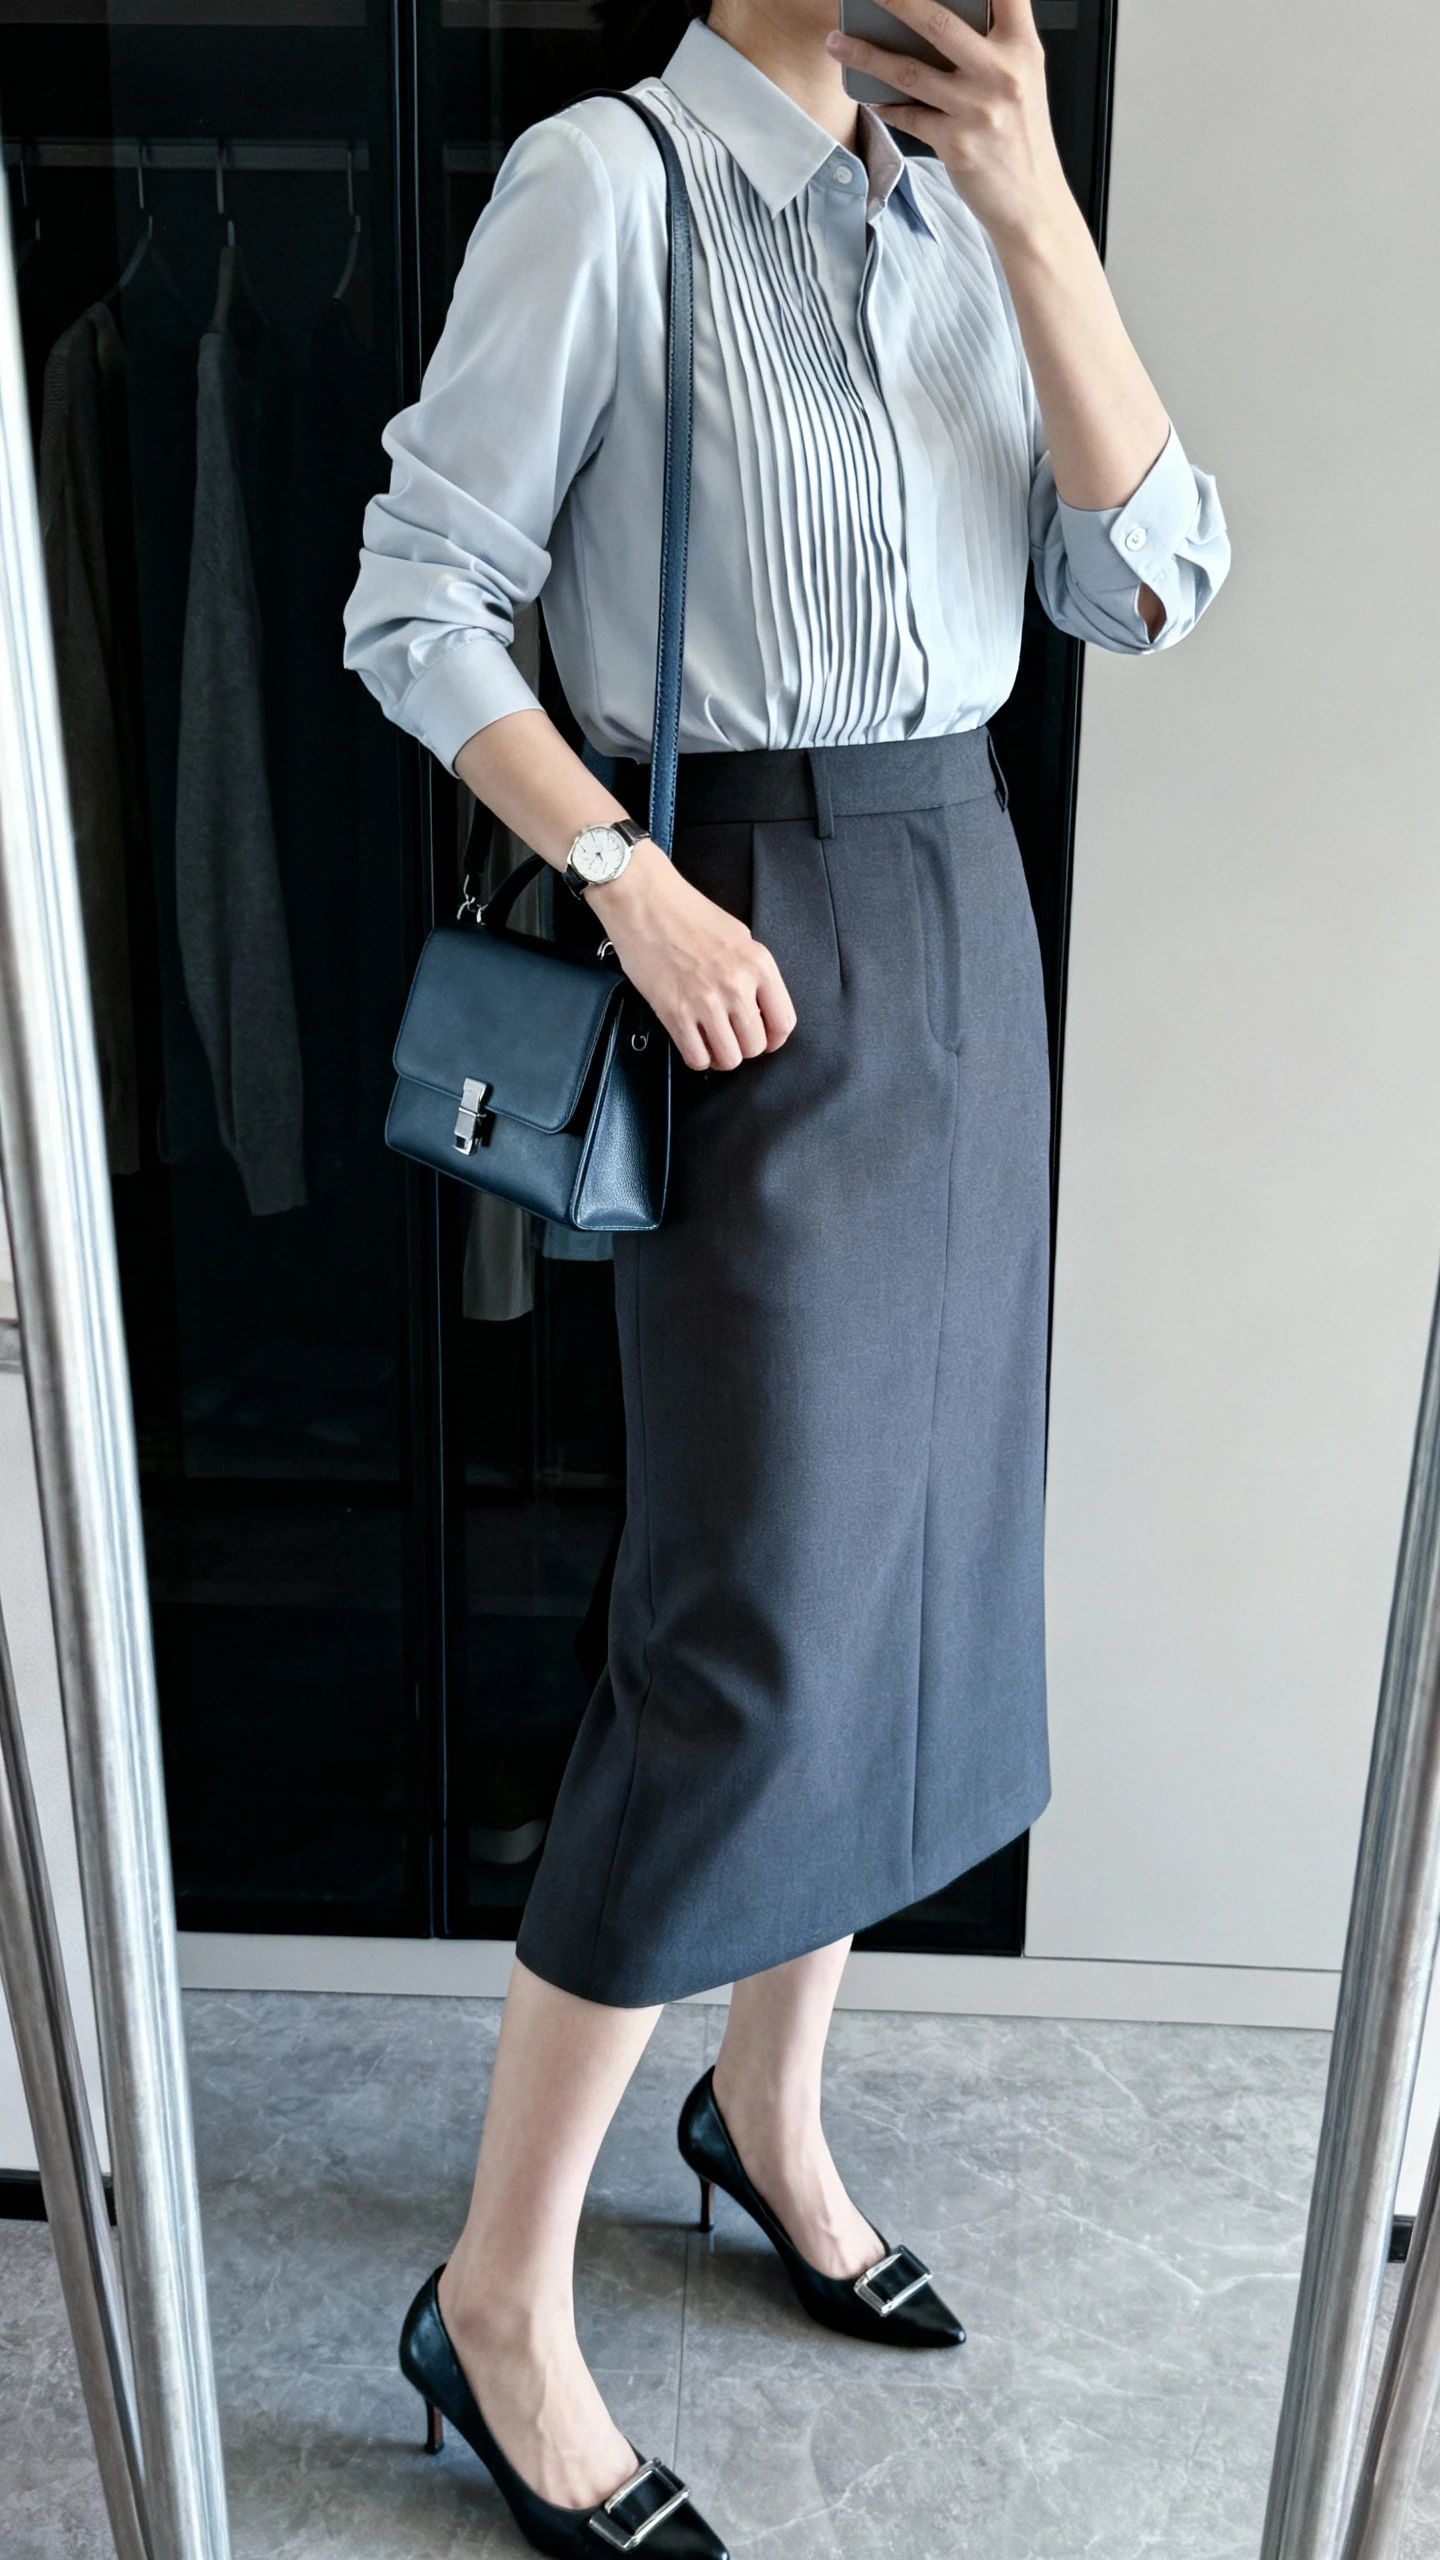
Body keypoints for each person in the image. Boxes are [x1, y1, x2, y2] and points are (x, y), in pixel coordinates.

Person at [344, 0, 1229, 2548]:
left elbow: (1149, 576)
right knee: (744, 1628)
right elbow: (418, 599)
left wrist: (1040, 203)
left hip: (968, 906)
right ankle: (496, 2297)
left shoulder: (972, 199)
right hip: (741, 916)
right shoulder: (604, 184)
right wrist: (627, 882)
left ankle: (765, 2110)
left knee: (920, 1591)